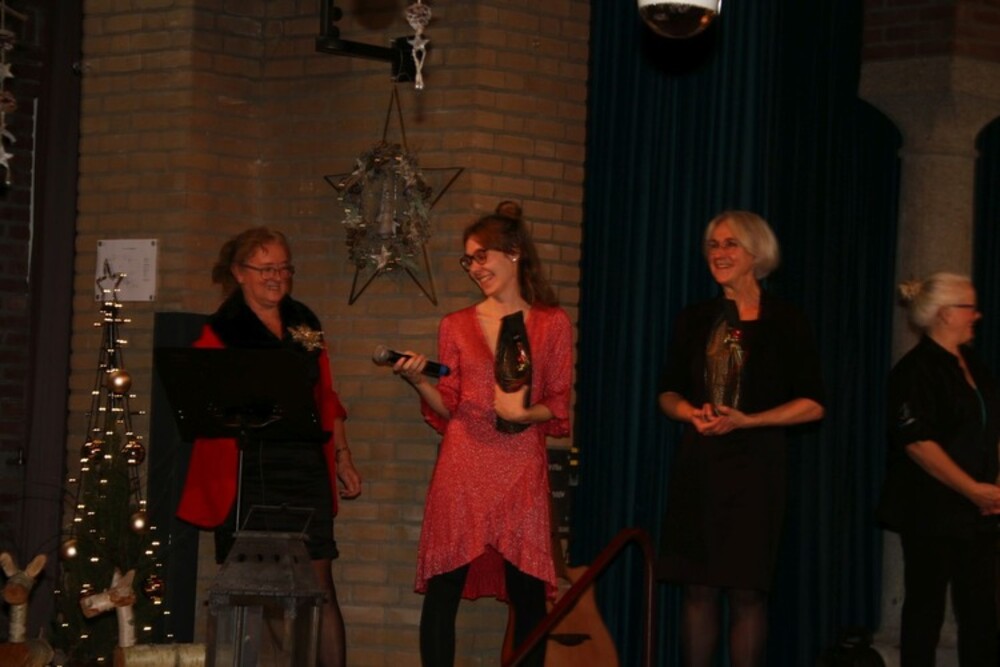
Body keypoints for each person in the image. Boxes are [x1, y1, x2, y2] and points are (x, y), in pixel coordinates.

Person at [388, 203, 573, 667]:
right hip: (463, 463)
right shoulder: (455, 325)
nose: (474, 268)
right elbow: (449, 405)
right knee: (444, 585)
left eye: (481, 256)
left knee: (528, 590)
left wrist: (525, 412)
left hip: (519, 467)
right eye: (467, 260)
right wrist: (419, 381)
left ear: (513, 253)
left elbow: (559, 401)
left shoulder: (551, 323)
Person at [176, 227, 362, 667]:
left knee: (319, 586)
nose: (277, 277)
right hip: (250, 469)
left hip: (304, 467)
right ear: (239, 273)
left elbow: (326, 398)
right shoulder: (220, 331)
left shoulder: (304, 321)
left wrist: (343, 457)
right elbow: (205, 403)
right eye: (265, 269)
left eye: (283, 268)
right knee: (260, 591)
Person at [656, 210, 825, 667]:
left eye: (730, 244)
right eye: (713, 245)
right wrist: (690, 412)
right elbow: (667, 392)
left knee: (747, 593)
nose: (719, 253)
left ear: (757, 254)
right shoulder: (695, 318)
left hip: (756, 469)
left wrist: (750, 421)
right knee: (698, 590)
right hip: (700, 466)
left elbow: (814, 404)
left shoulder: (786, 320)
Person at [877, 272, 1000, 666]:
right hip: (930, 510)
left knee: (981, 611)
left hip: (979, 513)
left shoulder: (975, 366)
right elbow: (918, 444)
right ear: (945, 313)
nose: (976, 315)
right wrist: (971, 488)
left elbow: (990, 428)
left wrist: (992, 487)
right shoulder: (915, 371)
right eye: (969, 307)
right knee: (925, 608)